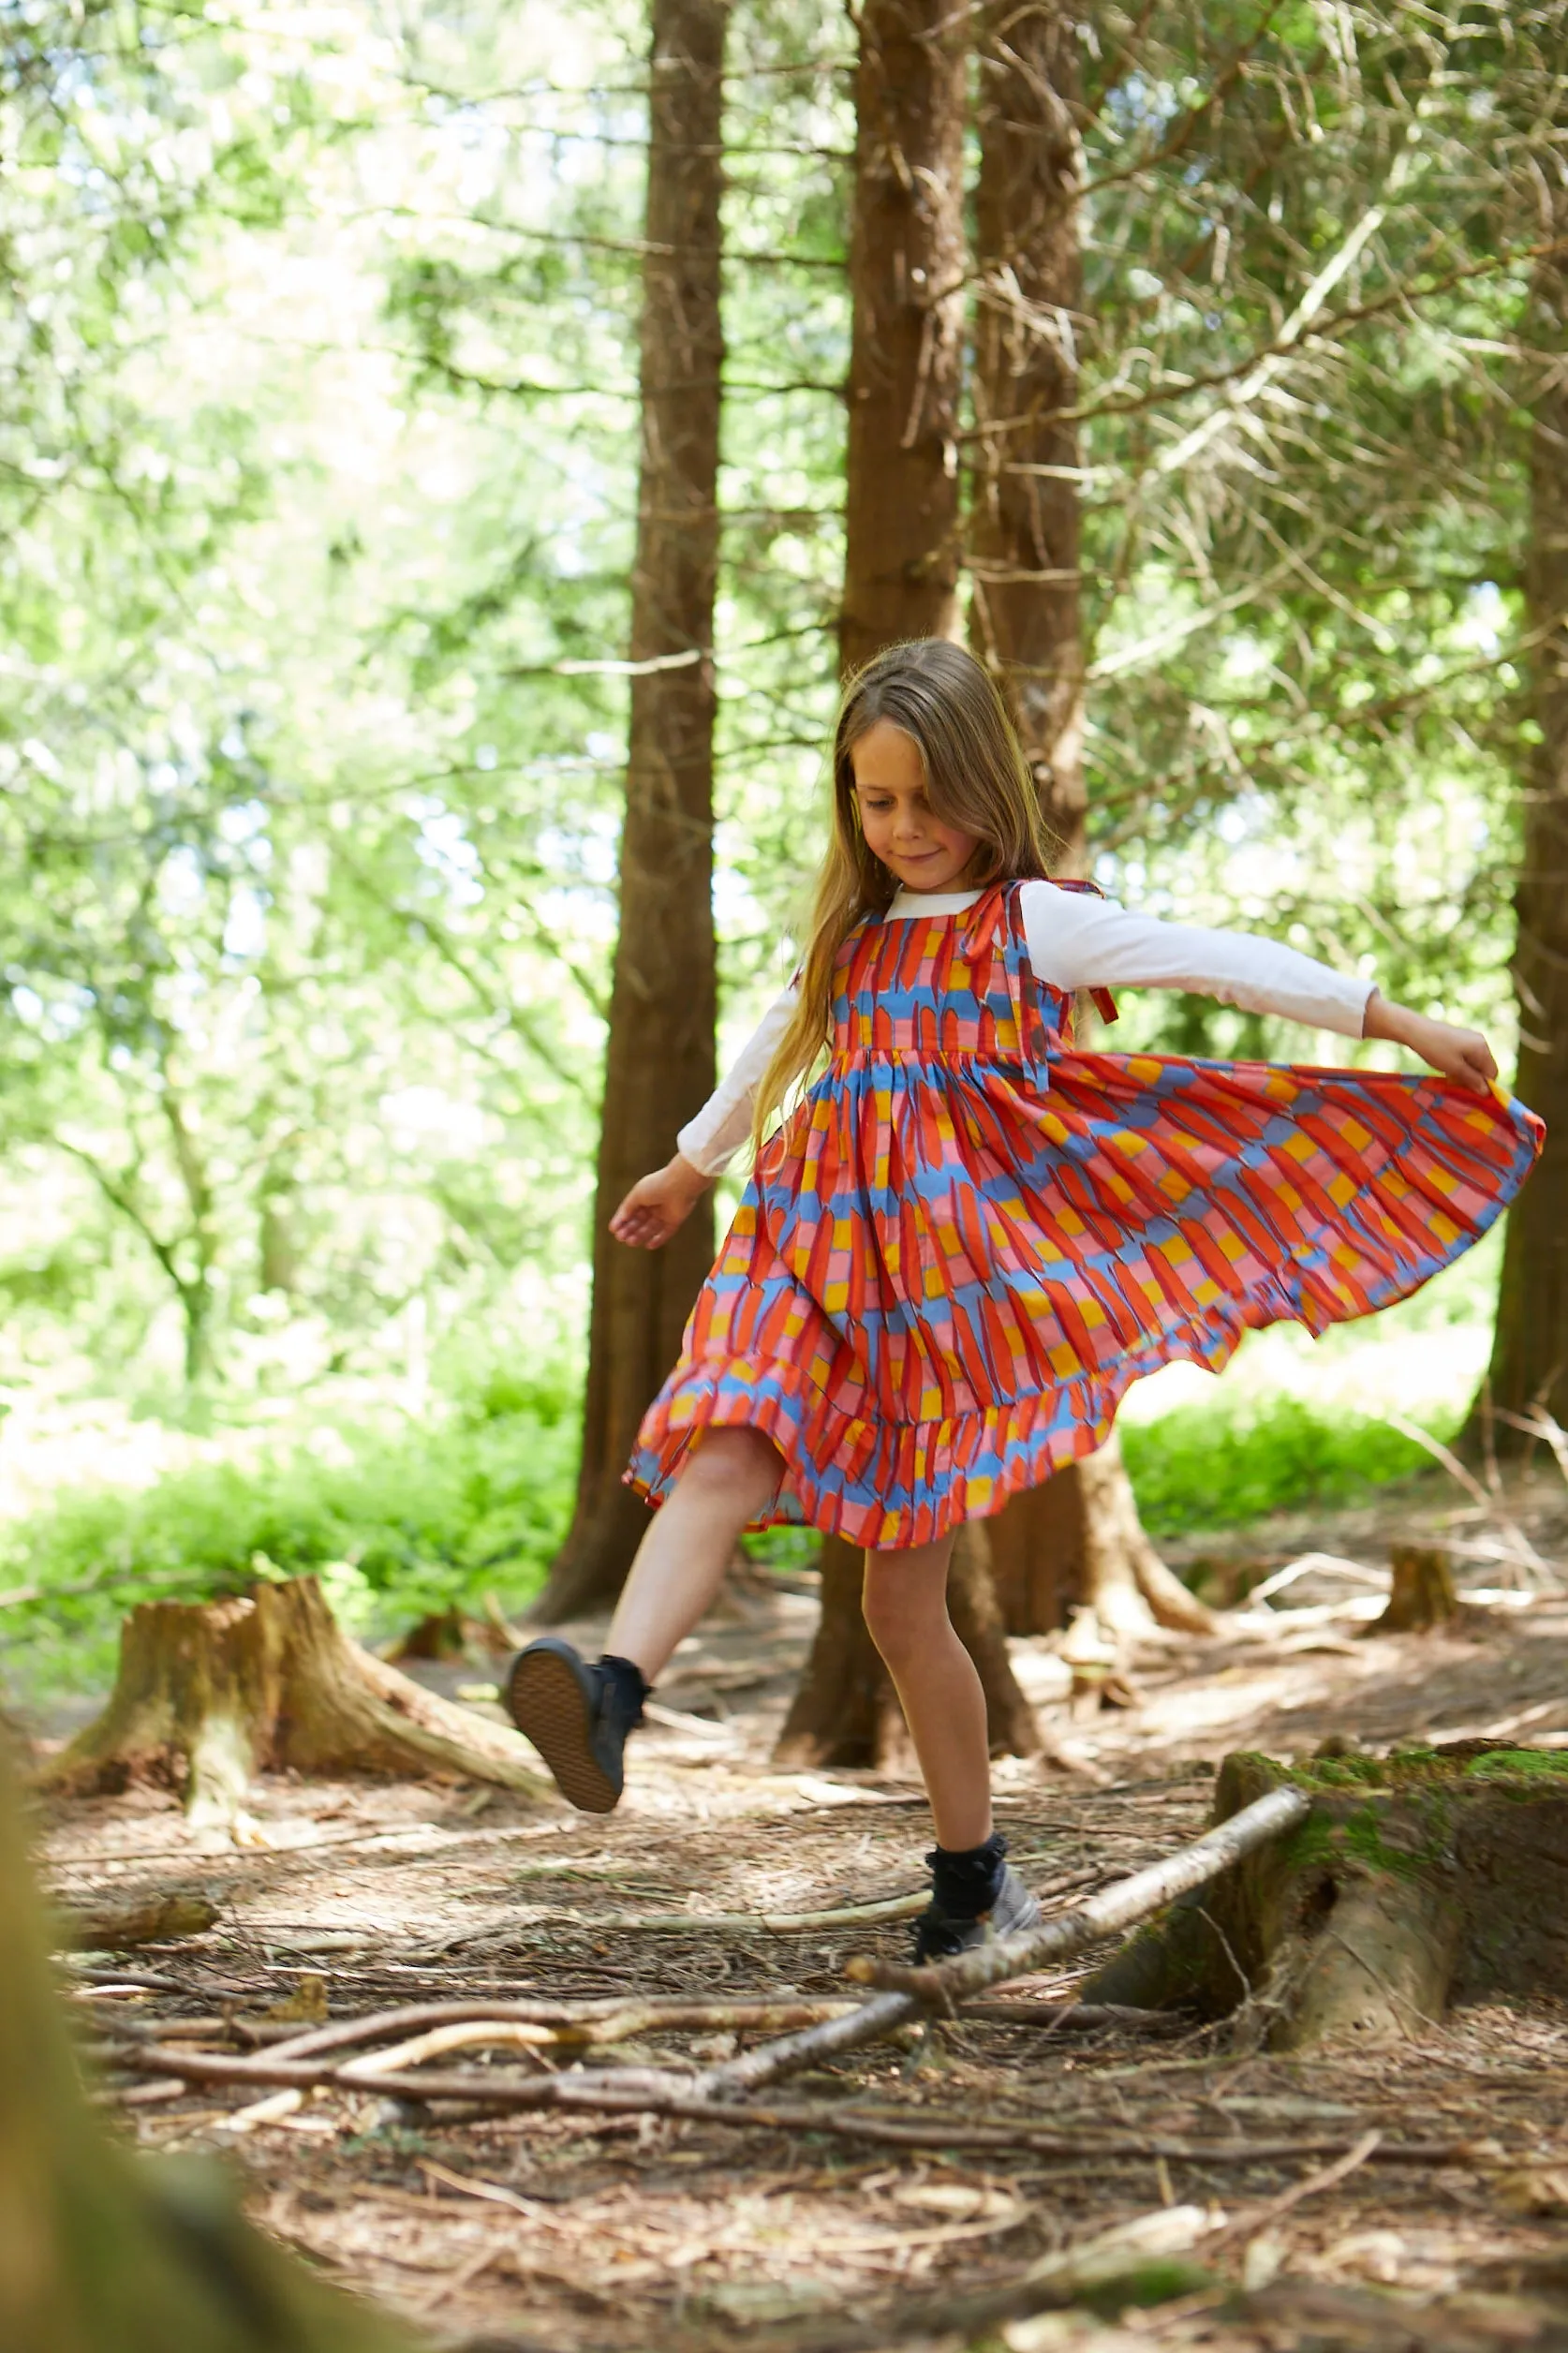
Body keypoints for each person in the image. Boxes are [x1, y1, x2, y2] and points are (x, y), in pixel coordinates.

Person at [505, 638, 1543, 1960]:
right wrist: (682, 1166)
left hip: (944, 1290)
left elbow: (1212, 960)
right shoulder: (853, 933)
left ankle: (971, 1879)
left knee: (896, 1607)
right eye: (874, 803)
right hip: (808, 1247)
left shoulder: (1032, 920)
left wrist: (1392, 1024)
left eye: (925, 800)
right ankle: (610, 1695)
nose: (903, 829)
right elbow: (777, 1044)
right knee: (719, 1441)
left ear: (982, 787)